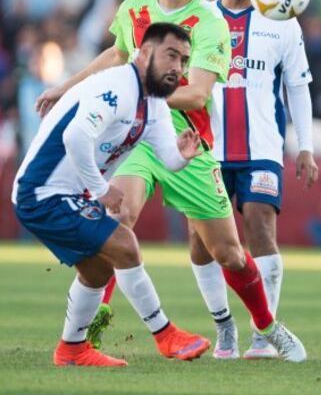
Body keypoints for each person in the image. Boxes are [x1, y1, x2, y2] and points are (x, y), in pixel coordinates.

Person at [35, 0, 307, 362]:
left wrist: (133, 94)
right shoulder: (133, 9)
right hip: (134, 139)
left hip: (187, 140)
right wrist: (68, 86)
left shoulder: (209, 21)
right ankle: (82, 339)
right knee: (115, 224)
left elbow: (198, 92)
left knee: (230, 253)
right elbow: (117, 55)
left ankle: (267, 325)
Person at [13, 22, 211, 367]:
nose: (178, 68)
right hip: (41, 191)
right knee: (123, 243)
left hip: (67, 193)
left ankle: (72, 350)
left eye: (183, 60)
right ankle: (166, 335)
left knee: (98, 270)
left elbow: (167, 157)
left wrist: (182, 155)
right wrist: (103, 190)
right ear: (145, 52)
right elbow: (75, 138)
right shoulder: (116, 86)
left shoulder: (155, 103)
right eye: (170, 56)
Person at [191, 0, 318, 359]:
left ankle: (262, 337)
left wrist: (306, 146)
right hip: (206, 150)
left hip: (262, 146)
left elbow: (298, 87)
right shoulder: (200, 18)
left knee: (261, 230)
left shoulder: (283, 21)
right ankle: (223, 327)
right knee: (202, 243)